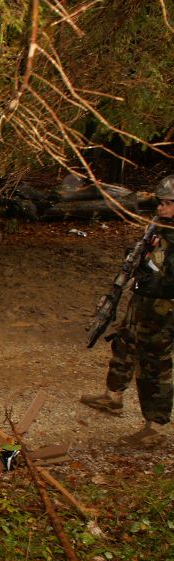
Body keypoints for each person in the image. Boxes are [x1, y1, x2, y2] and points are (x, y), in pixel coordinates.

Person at [80, 175, 174, 446]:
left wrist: (152, 275)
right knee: (124, 342)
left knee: (154, 363)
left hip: (164, 309)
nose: (161, 208)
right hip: (143, 300)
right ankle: (113, 396)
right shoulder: (161, 228)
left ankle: (155, 427)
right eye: (160, 202)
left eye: (168, 203)